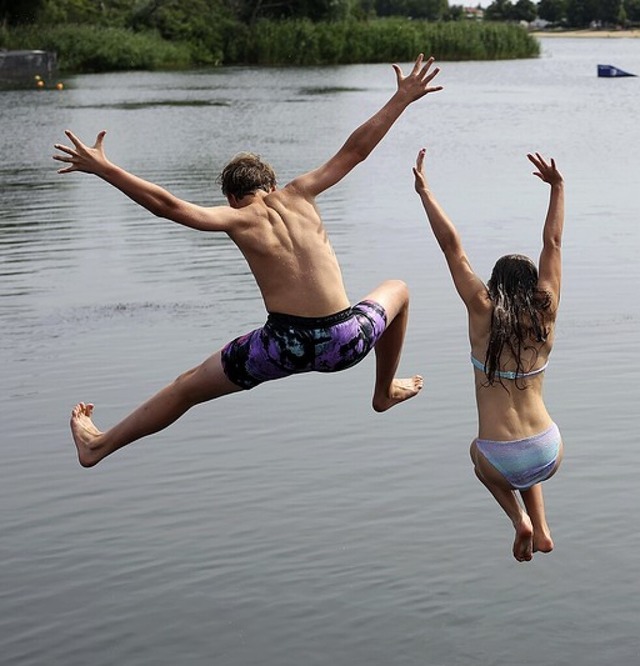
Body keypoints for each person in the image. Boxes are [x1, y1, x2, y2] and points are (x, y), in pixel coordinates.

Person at [54, 54, 443, 468]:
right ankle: (383, 391)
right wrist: (401, 99)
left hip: (281, 347)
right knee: (398, 289)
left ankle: (98, 446)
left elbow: (166, 206)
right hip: (344, 340)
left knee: (185, 388)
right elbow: (357, 149)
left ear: (231, 197)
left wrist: (105, 168)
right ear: (271, 184)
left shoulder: (235, 218)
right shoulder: (302, 191)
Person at [413, 148, 565, 562]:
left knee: (476, 453)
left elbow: (452, 249)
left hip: (500, 458)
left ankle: (520, 521)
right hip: (549, 450)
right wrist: (557, 187)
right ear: (533, 286)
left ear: (494, 286)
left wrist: (425, 192)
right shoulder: (545, 314)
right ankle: (543, 529)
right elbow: (552, 242)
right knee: (525, 462)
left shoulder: (482, 311)